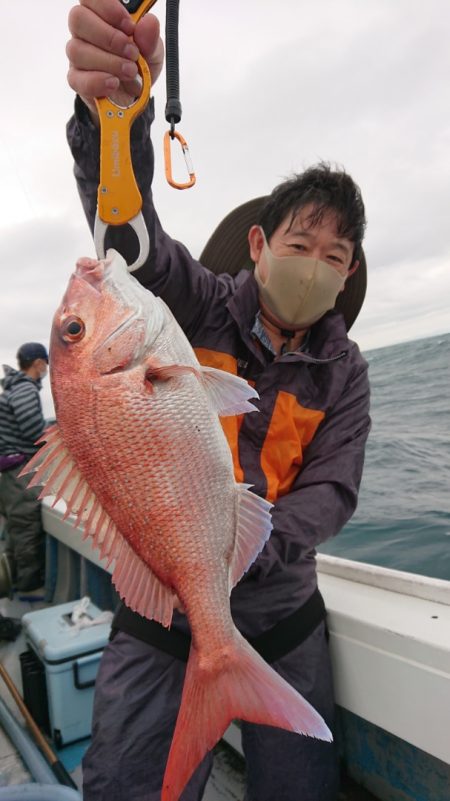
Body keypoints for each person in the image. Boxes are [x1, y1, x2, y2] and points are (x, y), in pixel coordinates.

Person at [65, 4, 371, 800]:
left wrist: (243, 549)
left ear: (348, 274)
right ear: (259, 246)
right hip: (163, 607)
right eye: (299, 245)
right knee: (128, 786)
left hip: (282, 605)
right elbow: (129, 238)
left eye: (333, 256)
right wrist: (114, 116)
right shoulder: (195, 305)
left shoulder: (345, 371)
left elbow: (333, 491)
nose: (314, 265)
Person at [0, 342, 49, 597]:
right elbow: (33, 431)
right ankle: (29, 587)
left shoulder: (12, 387)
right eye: (46, 364)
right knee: (27, 526)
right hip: (19, 471)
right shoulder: (25, 389)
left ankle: (13, 580)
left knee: (16, 527)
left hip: (9, 471)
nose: (46, 369)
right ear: (38, 363)